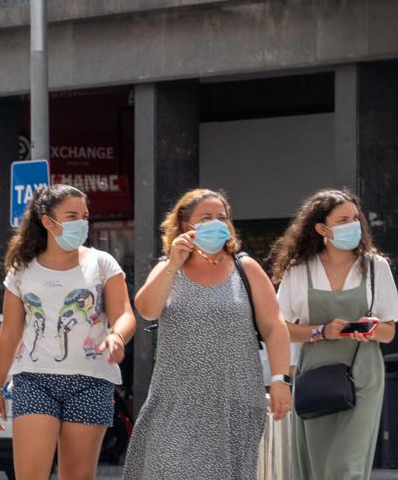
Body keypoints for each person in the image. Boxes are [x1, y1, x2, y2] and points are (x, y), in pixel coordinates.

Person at [122, 189, 292, 480]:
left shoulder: (244, 268)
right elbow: (146, 309)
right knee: (167, 471)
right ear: (186, 226)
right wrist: (174, 263)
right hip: (176, 402)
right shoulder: (167, 270)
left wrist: (280, 380)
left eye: (221, 217)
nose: (217, 223)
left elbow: (275, 326)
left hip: (234, 401)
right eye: (206, 217)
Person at [0, 184, 136, 480]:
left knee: (78, 477)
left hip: (91, 381)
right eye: (72, 215)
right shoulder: (22, 270)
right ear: (47, 221)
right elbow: (10, 333)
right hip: (34, 379)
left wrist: (117, 336)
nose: (81, 222)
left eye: (85, 215)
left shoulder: (102, 263)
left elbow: (125, 315)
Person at [270, 189, 398, 480]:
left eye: (356, 218)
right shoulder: (299, 270)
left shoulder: (375, 267)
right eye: (343, 219)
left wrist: (371, 328)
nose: (353, 224)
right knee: (317, 467)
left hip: (364, 373)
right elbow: (279, 328)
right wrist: (321, 331)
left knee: (346, 468)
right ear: (322, 228)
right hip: (315, 373)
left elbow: (390, 331)